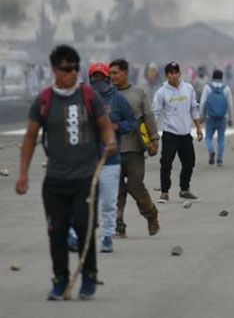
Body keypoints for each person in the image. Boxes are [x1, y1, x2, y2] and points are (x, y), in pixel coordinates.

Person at [15, 45, 117, 300]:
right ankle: (60, 280)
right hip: (56, 180)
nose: (73, 73)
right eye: (67, 68)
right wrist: (23, 174)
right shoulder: (44, 100)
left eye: (75, 67)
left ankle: (89, 276)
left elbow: (104, 125)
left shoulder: (88, 96)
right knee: (57, 232)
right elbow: (29, 139)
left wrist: (111, 141)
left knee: (84, 227)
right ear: (55, 70)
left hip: (85, 178)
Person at [87, 63, 137, 253]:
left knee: (108, 202)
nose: (98, 81)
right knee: (85, 201)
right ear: (90, 78)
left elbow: (132, 121)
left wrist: (116, 127)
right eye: (95, 77)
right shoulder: (84, 98)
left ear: (108, 79)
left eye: (102, 77)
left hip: (110, 160)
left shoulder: (117, 99)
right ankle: (80, 235)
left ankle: (107, 236)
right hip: (86, 161)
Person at [109, 58, 160, 238]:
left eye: (115, 73)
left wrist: (154, 140)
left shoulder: (139, 93)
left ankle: (151, 214)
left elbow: (149, 116)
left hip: (134, 149)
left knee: (135, 185)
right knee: (117, 190)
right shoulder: (107, 95)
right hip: (112, 151)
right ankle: (119, 226)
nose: (112, 76)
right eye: (111, 73)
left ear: (125, 72)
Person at [152, 61, 203, 203]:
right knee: (166, 164)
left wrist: (198, 128)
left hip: (185, 133)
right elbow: (156, 113)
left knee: (189, 163)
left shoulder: (188, 88)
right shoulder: (161, 92)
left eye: (176, 72)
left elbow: (194, 108)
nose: (174, 75)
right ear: (167, 75)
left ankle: (184, 190)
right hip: (170, 134)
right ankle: (164, 192)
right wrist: (152, 132)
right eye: (171, 73)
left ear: (180, 73)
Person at [199, 69, 234, 167]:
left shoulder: (207, 88)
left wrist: (201, 116)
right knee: (221, 138)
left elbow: (202, 103)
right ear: (222, 77)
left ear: (213, 77)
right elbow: (230, 105)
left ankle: (211, 151)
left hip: (210, 117)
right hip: (223, 118)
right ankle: (219, 159)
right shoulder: (226, 88)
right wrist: (231, 118)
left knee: (208, 137)